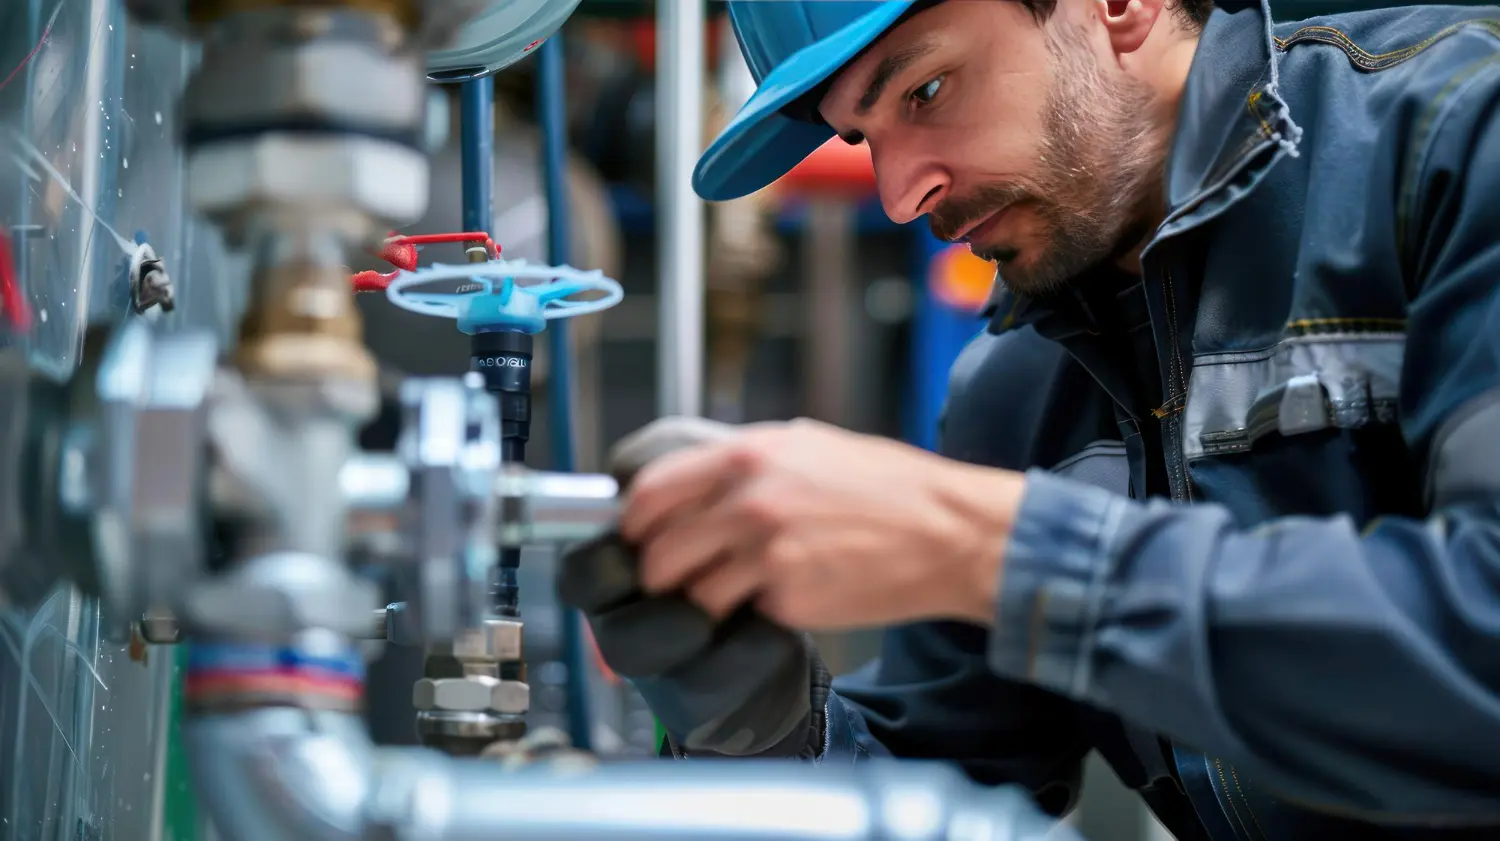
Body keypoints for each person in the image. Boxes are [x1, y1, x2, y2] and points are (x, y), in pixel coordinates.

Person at [559, 0, 1500, 838]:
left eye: (926, 89)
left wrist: (992, 550)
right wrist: (752, 724)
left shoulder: (1457, 136)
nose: (898, 194)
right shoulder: (1022, 379)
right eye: (862, 137)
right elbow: (935, 794)